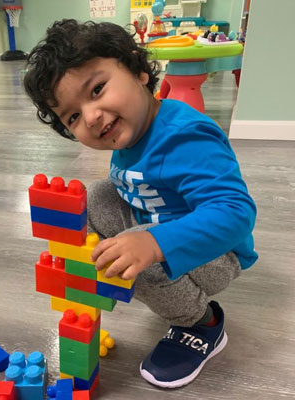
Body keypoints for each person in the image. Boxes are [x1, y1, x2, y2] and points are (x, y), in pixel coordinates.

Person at [24, 19, 258, 389]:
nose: (91, 116)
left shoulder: (186, 137)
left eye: (97, 89)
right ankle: (121, 263)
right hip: (157, 218)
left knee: (139, 262)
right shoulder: (130, 131)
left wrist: (152, 244)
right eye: (73, 117)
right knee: (99, 194)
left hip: (217, 252)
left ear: (137, 70)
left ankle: (202, 323)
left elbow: (235, 211)